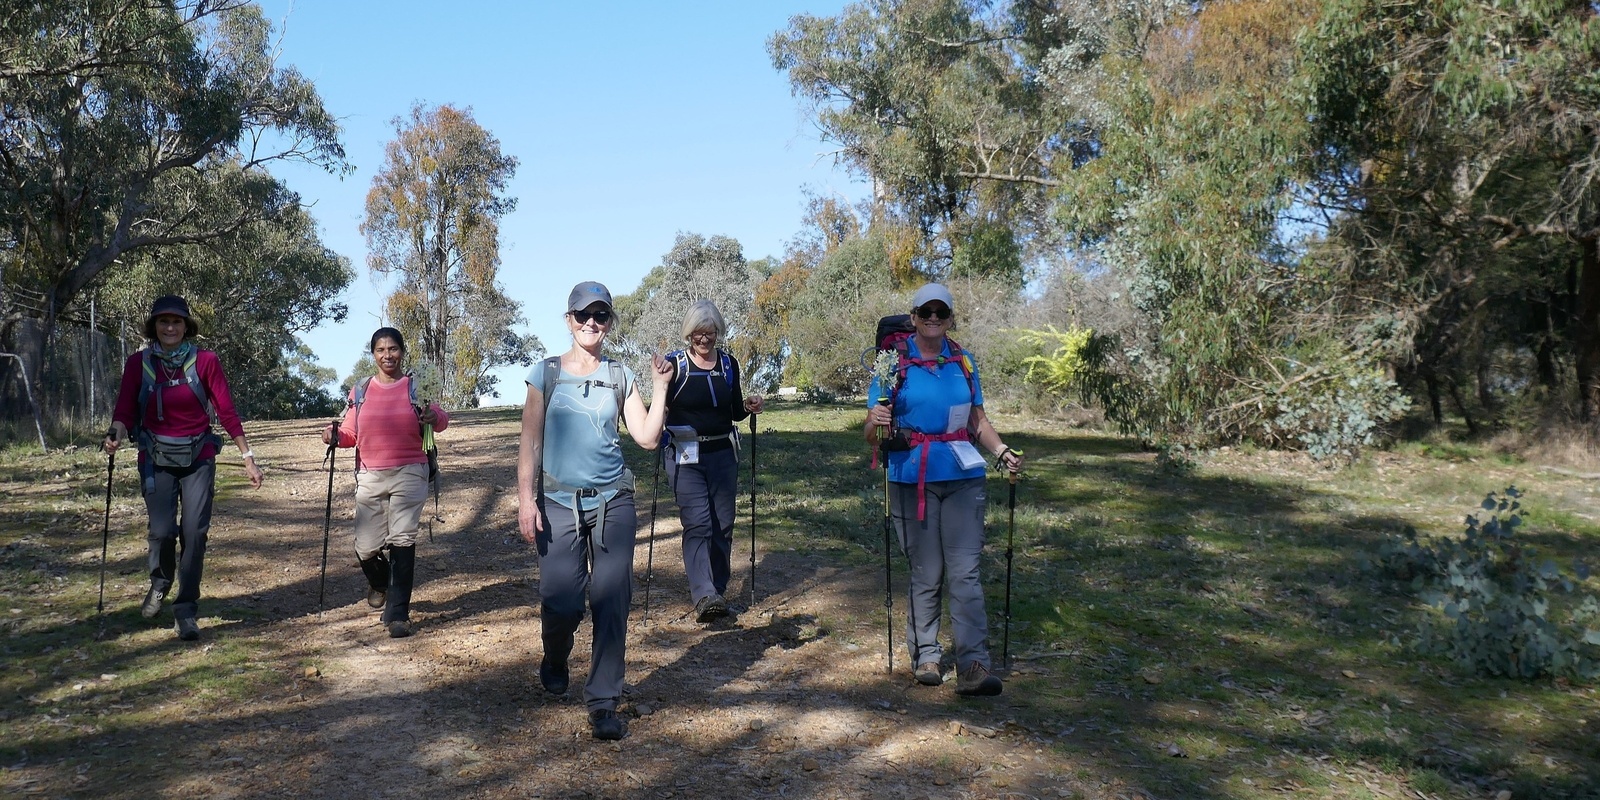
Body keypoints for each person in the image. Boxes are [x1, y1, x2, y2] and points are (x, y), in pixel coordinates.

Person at [518, 281, 671, 741]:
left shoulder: (619, 375)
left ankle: (604, 700)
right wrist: (526, 500)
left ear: (609, 323)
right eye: (583, 314)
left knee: (611, 598)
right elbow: (529, 442)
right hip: (558, 502)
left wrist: (660, 388)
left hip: (613, 502)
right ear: (568, 320)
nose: (591, 322)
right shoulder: (543, 373)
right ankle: (556, 655)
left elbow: (645, 436)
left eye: (600, 315)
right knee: (561, 598)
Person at [864, 283, 1024, 696]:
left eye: (942, 312)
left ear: (950, 318)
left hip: (964, 477)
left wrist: (1002, 451)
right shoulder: (891, 365)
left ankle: (973, 664)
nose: (934, 318)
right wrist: (877, 420)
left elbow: (978, 423)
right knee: (927, 572)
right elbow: (870, 431)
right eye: (926, 311)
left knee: (966, 573)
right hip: (910, 477)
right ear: (913, 316)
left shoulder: (964, 362)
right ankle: (927, 656)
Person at [104, 295, 263, 641]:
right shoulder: (138, 363)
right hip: (154, 457)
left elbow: (226, 411)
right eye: (163, 322)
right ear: (154, 327)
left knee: (194, 532)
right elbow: (124, 410)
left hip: (198, 457)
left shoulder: (205, 361)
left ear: (186, 327)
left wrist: (247, 457)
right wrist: (115, 434)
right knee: (162, 531)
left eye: (176, 322)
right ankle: (161, 582)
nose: (170, 327)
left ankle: (186, 609)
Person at [321, 327, 449, 639]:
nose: (387, 355)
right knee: (365, 547)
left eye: (393, 349)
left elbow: (441, 420)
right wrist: (334, 436)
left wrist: (432, 417)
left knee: (402, 538)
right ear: (374, 354)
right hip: (370, 473)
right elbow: (351, 434)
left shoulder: (415, 386)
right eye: (381, 350)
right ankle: (380, 583)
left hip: (411, 470)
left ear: (402, 352)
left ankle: (398, 614)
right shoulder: (361, 390)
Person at [661, 300, 763, 622]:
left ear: (718, 332)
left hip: (722, 454)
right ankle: (704, 593)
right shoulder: (674, 365)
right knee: (698, 523)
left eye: (711, 333)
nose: (704, 340)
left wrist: (749, 406)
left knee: (723, 526)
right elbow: (659, 410)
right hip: (684, 456)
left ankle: (717, 590)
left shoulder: (729, 364)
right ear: (688, 334)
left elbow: (734, 412)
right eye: (698, 334)